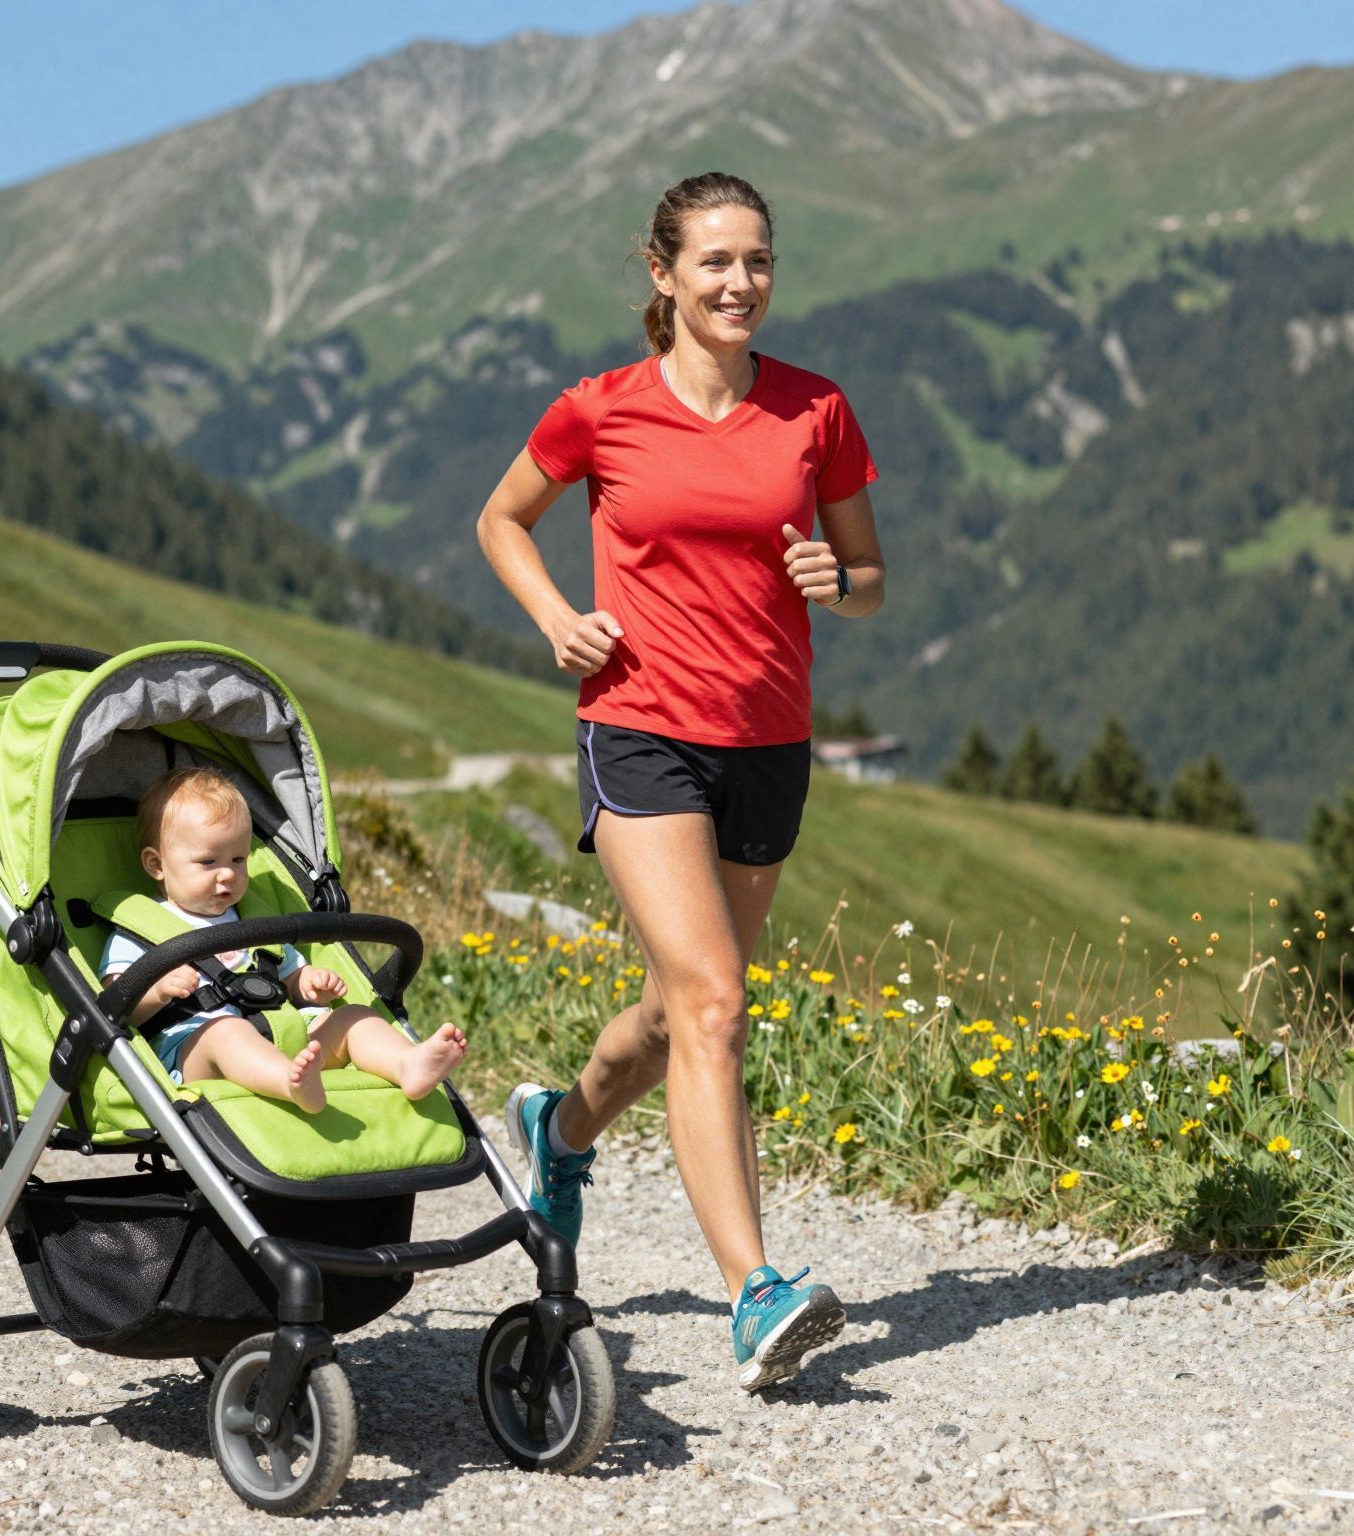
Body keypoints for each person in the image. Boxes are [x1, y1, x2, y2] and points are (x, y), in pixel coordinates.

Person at [475, 171, 885, 1391]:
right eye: (713, 262)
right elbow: (502, 519)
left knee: (671, 1011)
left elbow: (870, 578)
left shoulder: (816, 411)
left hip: (765, 740)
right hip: (640, 729)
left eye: (756, 261)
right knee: (712, 1003)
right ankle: (754, 1291)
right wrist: (558, 617)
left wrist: (835, 582)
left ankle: (560, 1128)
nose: (739, 284)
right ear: (662, 275)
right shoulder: (599, 410)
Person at [100, 767, 468, 1113]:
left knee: (355, 1016)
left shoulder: (254, 921)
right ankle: (289, 1083)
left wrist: (308, 984)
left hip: (283, 1033)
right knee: (228, 1032)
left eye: (239, 859)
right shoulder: (140, 928)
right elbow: (116, 1005)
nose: (228, 874)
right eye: (209, 862)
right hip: (196, 1050)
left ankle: (407, 1063)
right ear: (156, 865)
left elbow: (287, 978)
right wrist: (158, 989)